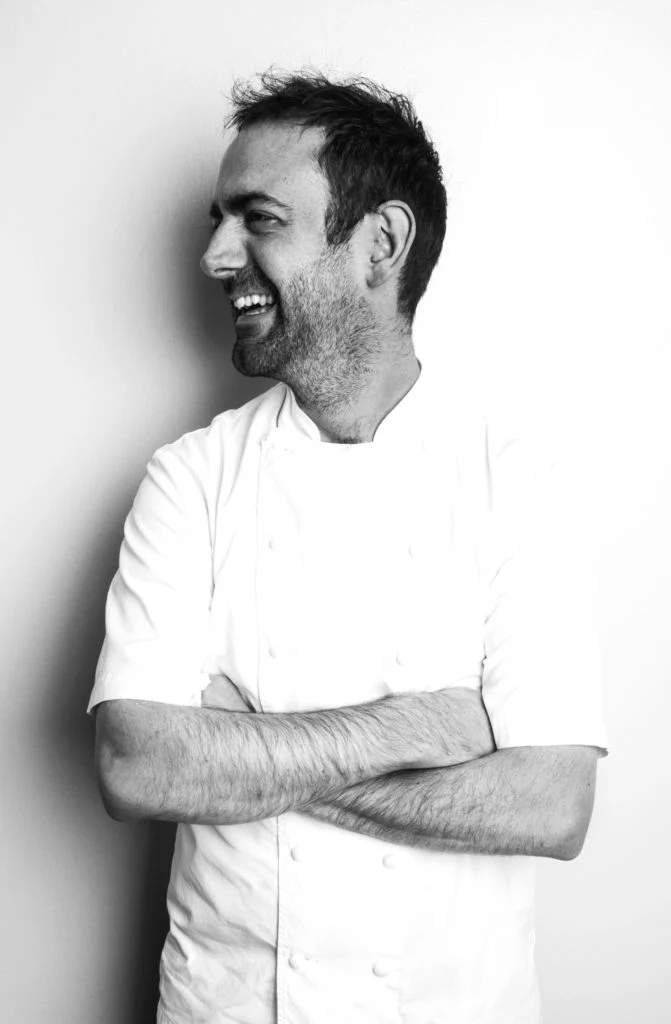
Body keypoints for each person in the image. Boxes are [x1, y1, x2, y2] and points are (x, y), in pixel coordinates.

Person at [90, 70, 608, 1024]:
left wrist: (242, 747)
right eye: (219, 220)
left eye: (258, 219)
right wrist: (411, 731)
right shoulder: (190, 478)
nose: (215, 255)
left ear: (380, 244)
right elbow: (137, 766)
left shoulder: (514, 485)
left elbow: (550, 806)